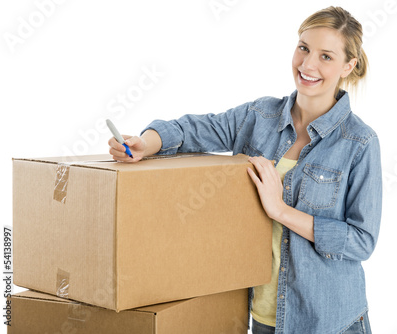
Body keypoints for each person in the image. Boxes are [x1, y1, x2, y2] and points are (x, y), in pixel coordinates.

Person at [108, 6, 381, 334]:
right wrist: (146, 143)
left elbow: (361, 241)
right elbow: (195, 129)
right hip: (262, 318)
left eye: (326, 56)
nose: (308, 64)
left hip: (326, 322)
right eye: (304, 48)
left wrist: (279, 210)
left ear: (348, 65)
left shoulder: (359, 143)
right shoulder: (259, 117)